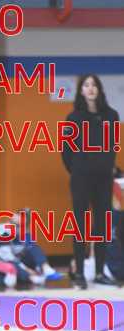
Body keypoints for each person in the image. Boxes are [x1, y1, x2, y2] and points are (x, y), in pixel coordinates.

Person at [61, 74, 120, 289]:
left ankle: (99, 272)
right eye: (86, 85)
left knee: (102, 225)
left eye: (94, 84)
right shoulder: (73, 117)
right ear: (81, 91)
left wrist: (105, 168)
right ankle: (79, 273)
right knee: (80, 224)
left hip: (103, 178)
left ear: (99, 89)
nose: (90, 88)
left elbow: (112, 146)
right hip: (81, 178)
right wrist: (78, 169)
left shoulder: (111, 116)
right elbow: (66, 150)